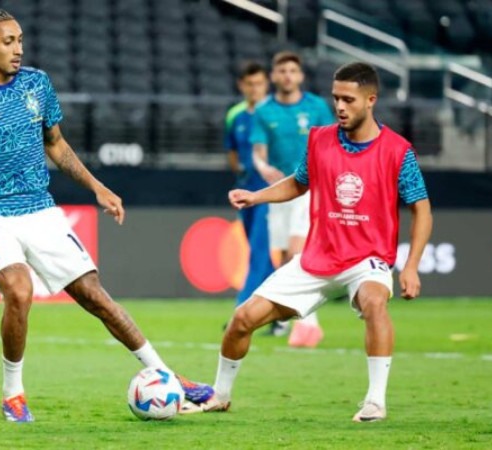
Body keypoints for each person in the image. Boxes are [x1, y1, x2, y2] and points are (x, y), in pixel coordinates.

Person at [0, 8, 212, 423]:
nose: (18, 49)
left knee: (97, 297)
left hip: (41, 211)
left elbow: (57, 145)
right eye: (8, 41)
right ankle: (13, 395)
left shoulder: (37, 84)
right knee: (19, 290)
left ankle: (167, 375)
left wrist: (97, 187)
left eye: (21, 40)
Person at [181, 62, 433, 422]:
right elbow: (299, 182)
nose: (340, 106)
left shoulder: (397, 151)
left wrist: (410, 267)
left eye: (349, 99)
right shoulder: (319, 139)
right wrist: (257, 197)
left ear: (371, 100)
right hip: (317, 257)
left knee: (376, 304)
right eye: (336, 98)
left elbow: (422, 210)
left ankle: (375, 401)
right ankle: (219, 396)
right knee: (242, 319)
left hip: (367, 259)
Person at [250, 51, 335, 346]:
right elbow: (258, 150)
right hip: (278, 191)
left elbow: (331, 142)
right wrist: (263, 168)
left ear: (300, 76)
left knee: (298, 253)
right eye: (282, 70)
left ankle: (308, 324)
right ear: (274, 76)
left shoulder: (316, 107)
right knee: (282, 257)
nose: (287, 75)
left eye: (292, 71)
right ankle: (291, 317)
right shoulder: (264, 111)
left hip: (310, 188)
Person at [224, 62, 275, 306]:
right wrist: (241, 173)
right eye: (249, 84)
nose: (254, 89)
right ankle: (280, 315)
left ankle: (242, 308)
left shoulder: (276, 112)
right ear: (241, 85)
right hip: (246, 192)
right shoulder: (235, 115)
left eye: (259, 83)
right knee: (262, 255)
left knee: (257, 249)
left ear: (266, 84)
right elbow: (231, 150)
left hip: (271, 194)